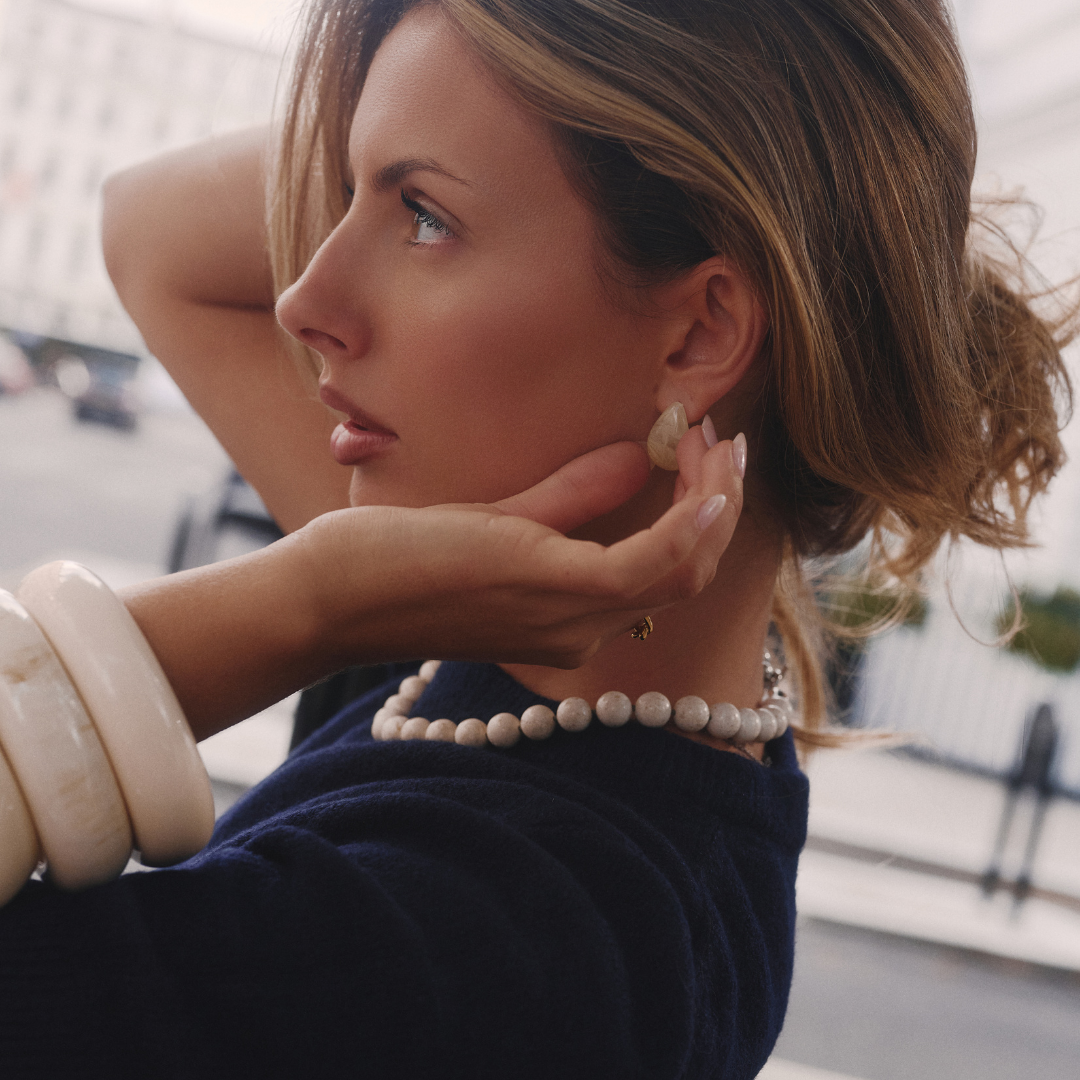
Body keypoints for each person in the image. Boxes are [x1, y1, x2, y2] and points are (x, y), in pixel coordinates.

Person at [0, 0, 1073, 1077]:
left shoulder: (496, 943)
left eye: (422, 216)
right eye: (346, 195)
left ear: (702, 332)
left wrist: (302, 606)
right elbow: (153, 231)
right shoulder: (490, 641)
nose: (304, 294)